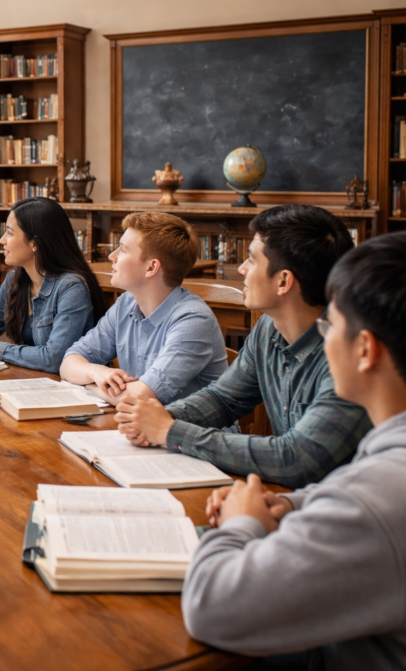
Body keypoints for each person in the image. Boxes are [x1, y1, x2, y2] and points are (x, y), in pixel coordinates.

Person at [183, 232, 406, 671]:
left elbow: (210, 606)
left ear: (365, 350)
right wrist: (290, 504)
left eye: (330, 325)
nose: (323, 338)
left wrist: (241, 523)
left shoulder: (375, 496)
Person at [114, 205, 371, 488]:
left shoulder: (349, 354)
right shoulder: (268, 327)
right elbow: (224, 399)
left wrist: (170, 430)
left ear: (283, 281)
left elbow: (297, 459)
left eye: (251, 260)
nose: (241, 269)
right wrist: (164, 417)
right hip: (291, 499)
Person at [59, 211, 227, 406]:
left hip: (187, 425)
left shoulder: (193, 320)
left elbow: (139, 398)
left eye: (123, 250)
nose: (112, 256)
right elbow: (68, 363)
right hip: (136, 422)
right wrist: (97, 372)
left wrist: (88, 385)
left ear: (151, 267)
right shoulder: (125, 304)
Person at [0, 197, 106, 373]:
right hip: (33, 379)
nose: (2, 240)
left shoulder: (72, 287)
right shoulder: (15, 279)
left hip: (74, 385)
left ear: (34, 243)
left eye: (9, 233)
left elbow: (55, 359)